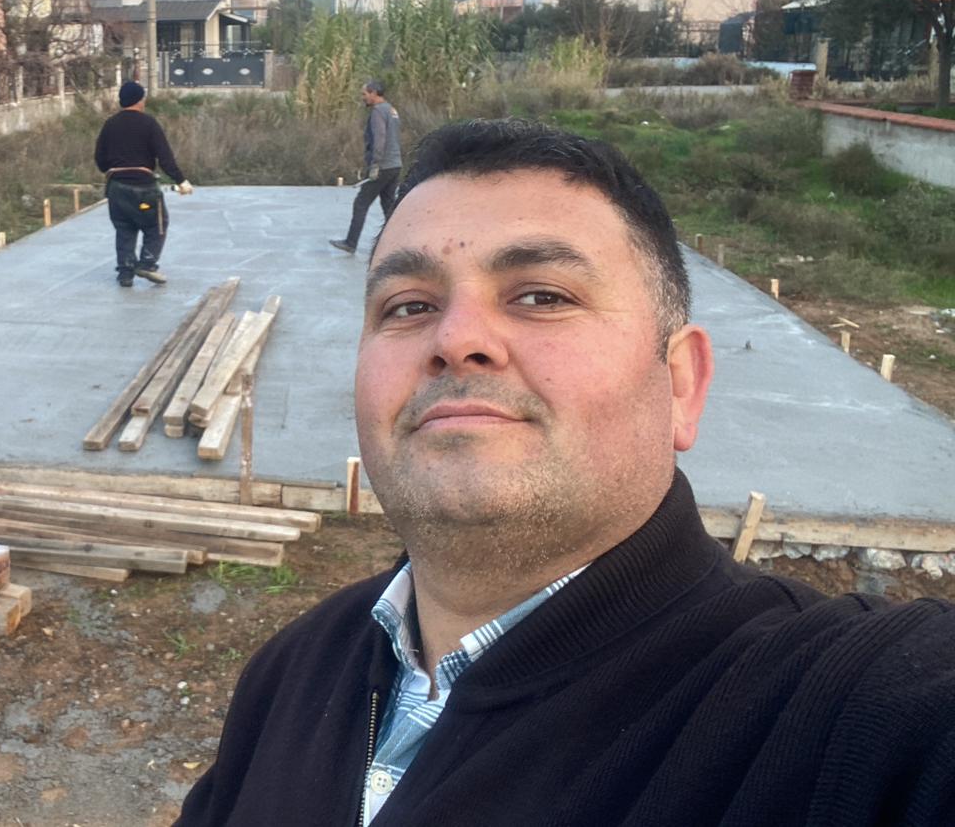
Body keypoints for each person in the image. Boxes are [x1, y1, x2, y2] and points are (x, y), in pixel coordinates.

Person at [178, 118, 955, 826]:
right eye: (408, 306)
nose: (456, 339)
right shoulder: (295, 671)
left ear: (681, 383)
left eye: (542, 296)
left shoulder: (835, 713)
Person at [94, 80, 193, 287]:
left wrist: (113, 171)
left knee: (124, 228)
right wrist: (181, 180)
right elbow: (165, 157)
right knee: (156, 224)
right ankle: (147, 264)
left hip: (116, 188)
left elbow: (100, 158)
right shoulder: (149, 124)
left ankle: (125, 273)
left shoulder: (110, 124)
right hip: (143, 187)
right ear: (139, 100)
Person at [330, 80, 402, 254]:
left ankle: (350, 243)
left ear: (374, 93)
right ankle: (400, 243)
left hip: (382, 166)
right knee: (388, 206)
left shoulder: (378, 112)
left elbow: (380, 138)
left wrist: (375, 164)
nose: (363, 97)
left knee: (361, 203)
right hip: (395, 165)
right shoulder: (391, 110)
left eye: (365, 94)